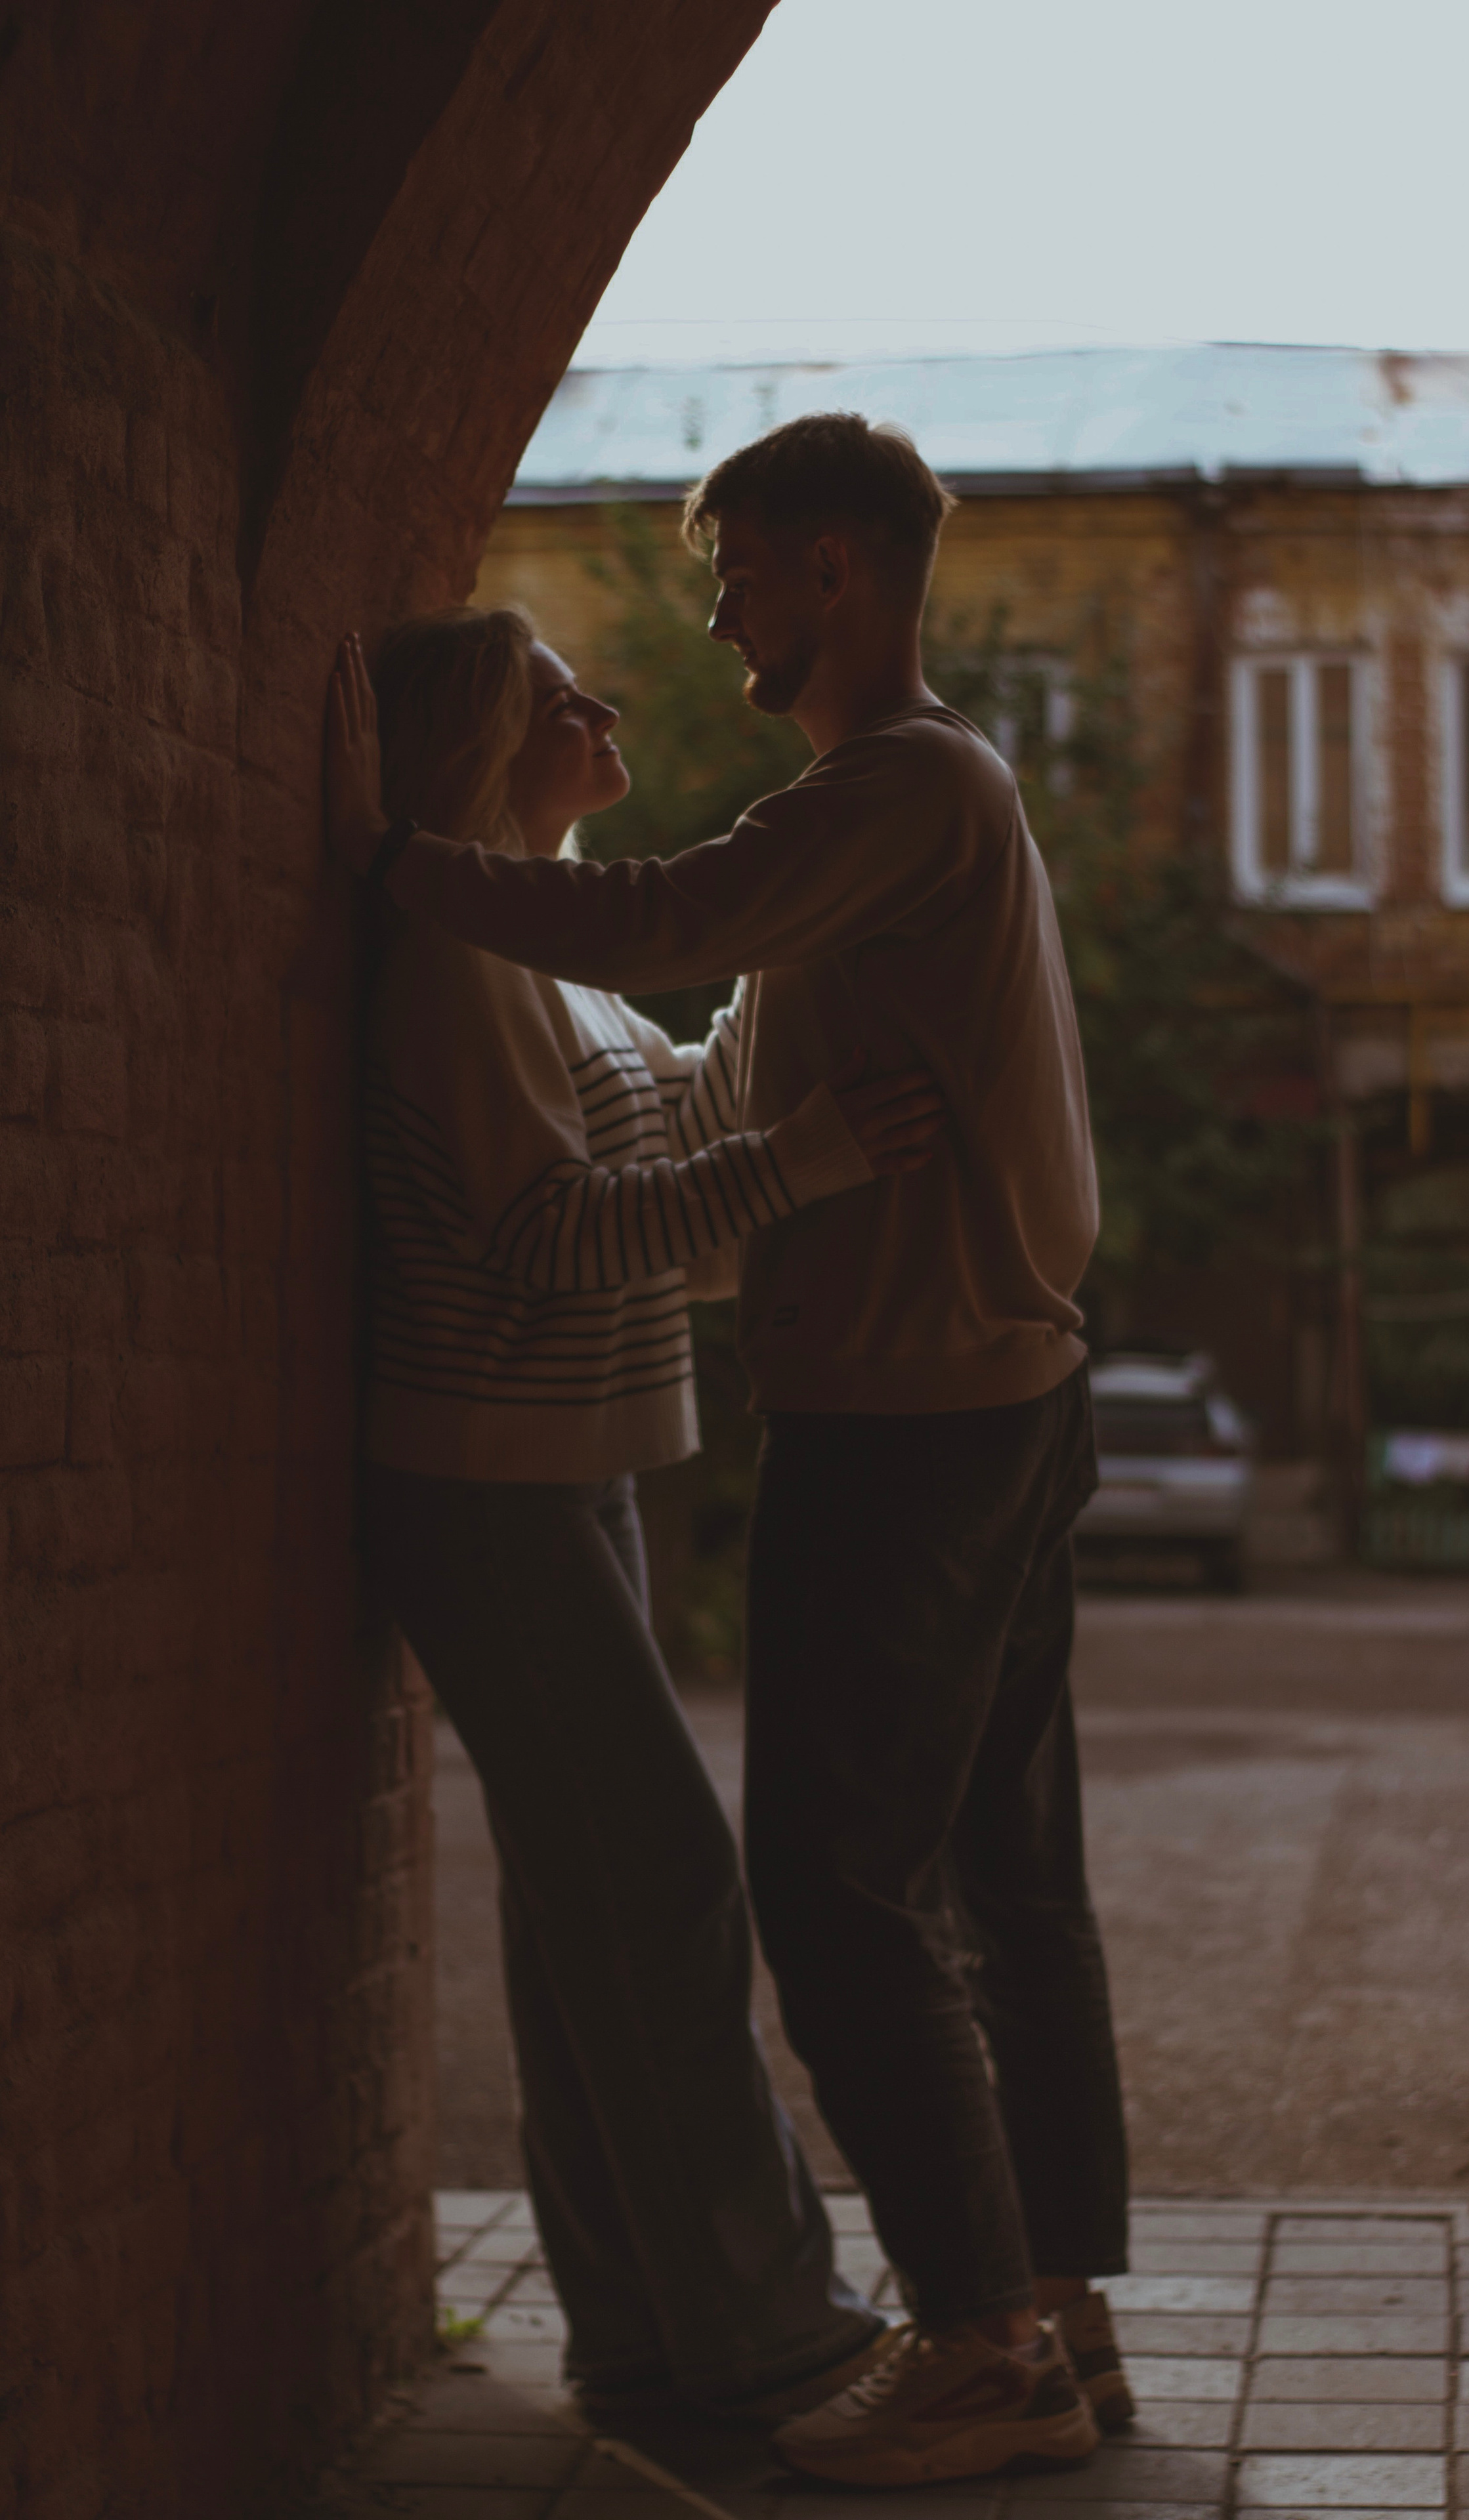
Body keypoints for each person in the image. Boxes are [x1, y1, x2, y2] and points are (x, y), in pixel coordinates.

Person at [324, 414, 1133, 2490]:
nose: (707, 625)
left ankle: (977, 2344)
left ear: (838, 573)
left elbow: (675, 952)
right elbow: (702, 1085)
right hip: (945, 1384)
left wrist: (395, 857)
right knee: (949, 1878)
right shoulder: (883, 813)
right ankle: (1023, 2315)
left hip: (917, 1394)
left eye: (740, 576)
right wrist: (778, 1151)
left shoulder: (893, 791)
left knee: (827, 1883)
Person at [339, 602, 946, 2424]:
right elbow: (556, 1241)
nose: (596, 709)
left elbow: (677, 1123)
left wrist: (791, 955)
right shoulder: (456, 959)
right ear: (469, 754)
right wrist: (816, 1155)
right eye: (551, 700)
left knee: (581, 1910)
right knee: (666, 1888)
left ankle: (636, 2329)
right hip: (487, 1480)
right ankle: (770, 2329)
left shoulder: (565, 965)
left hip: (571, 1462)